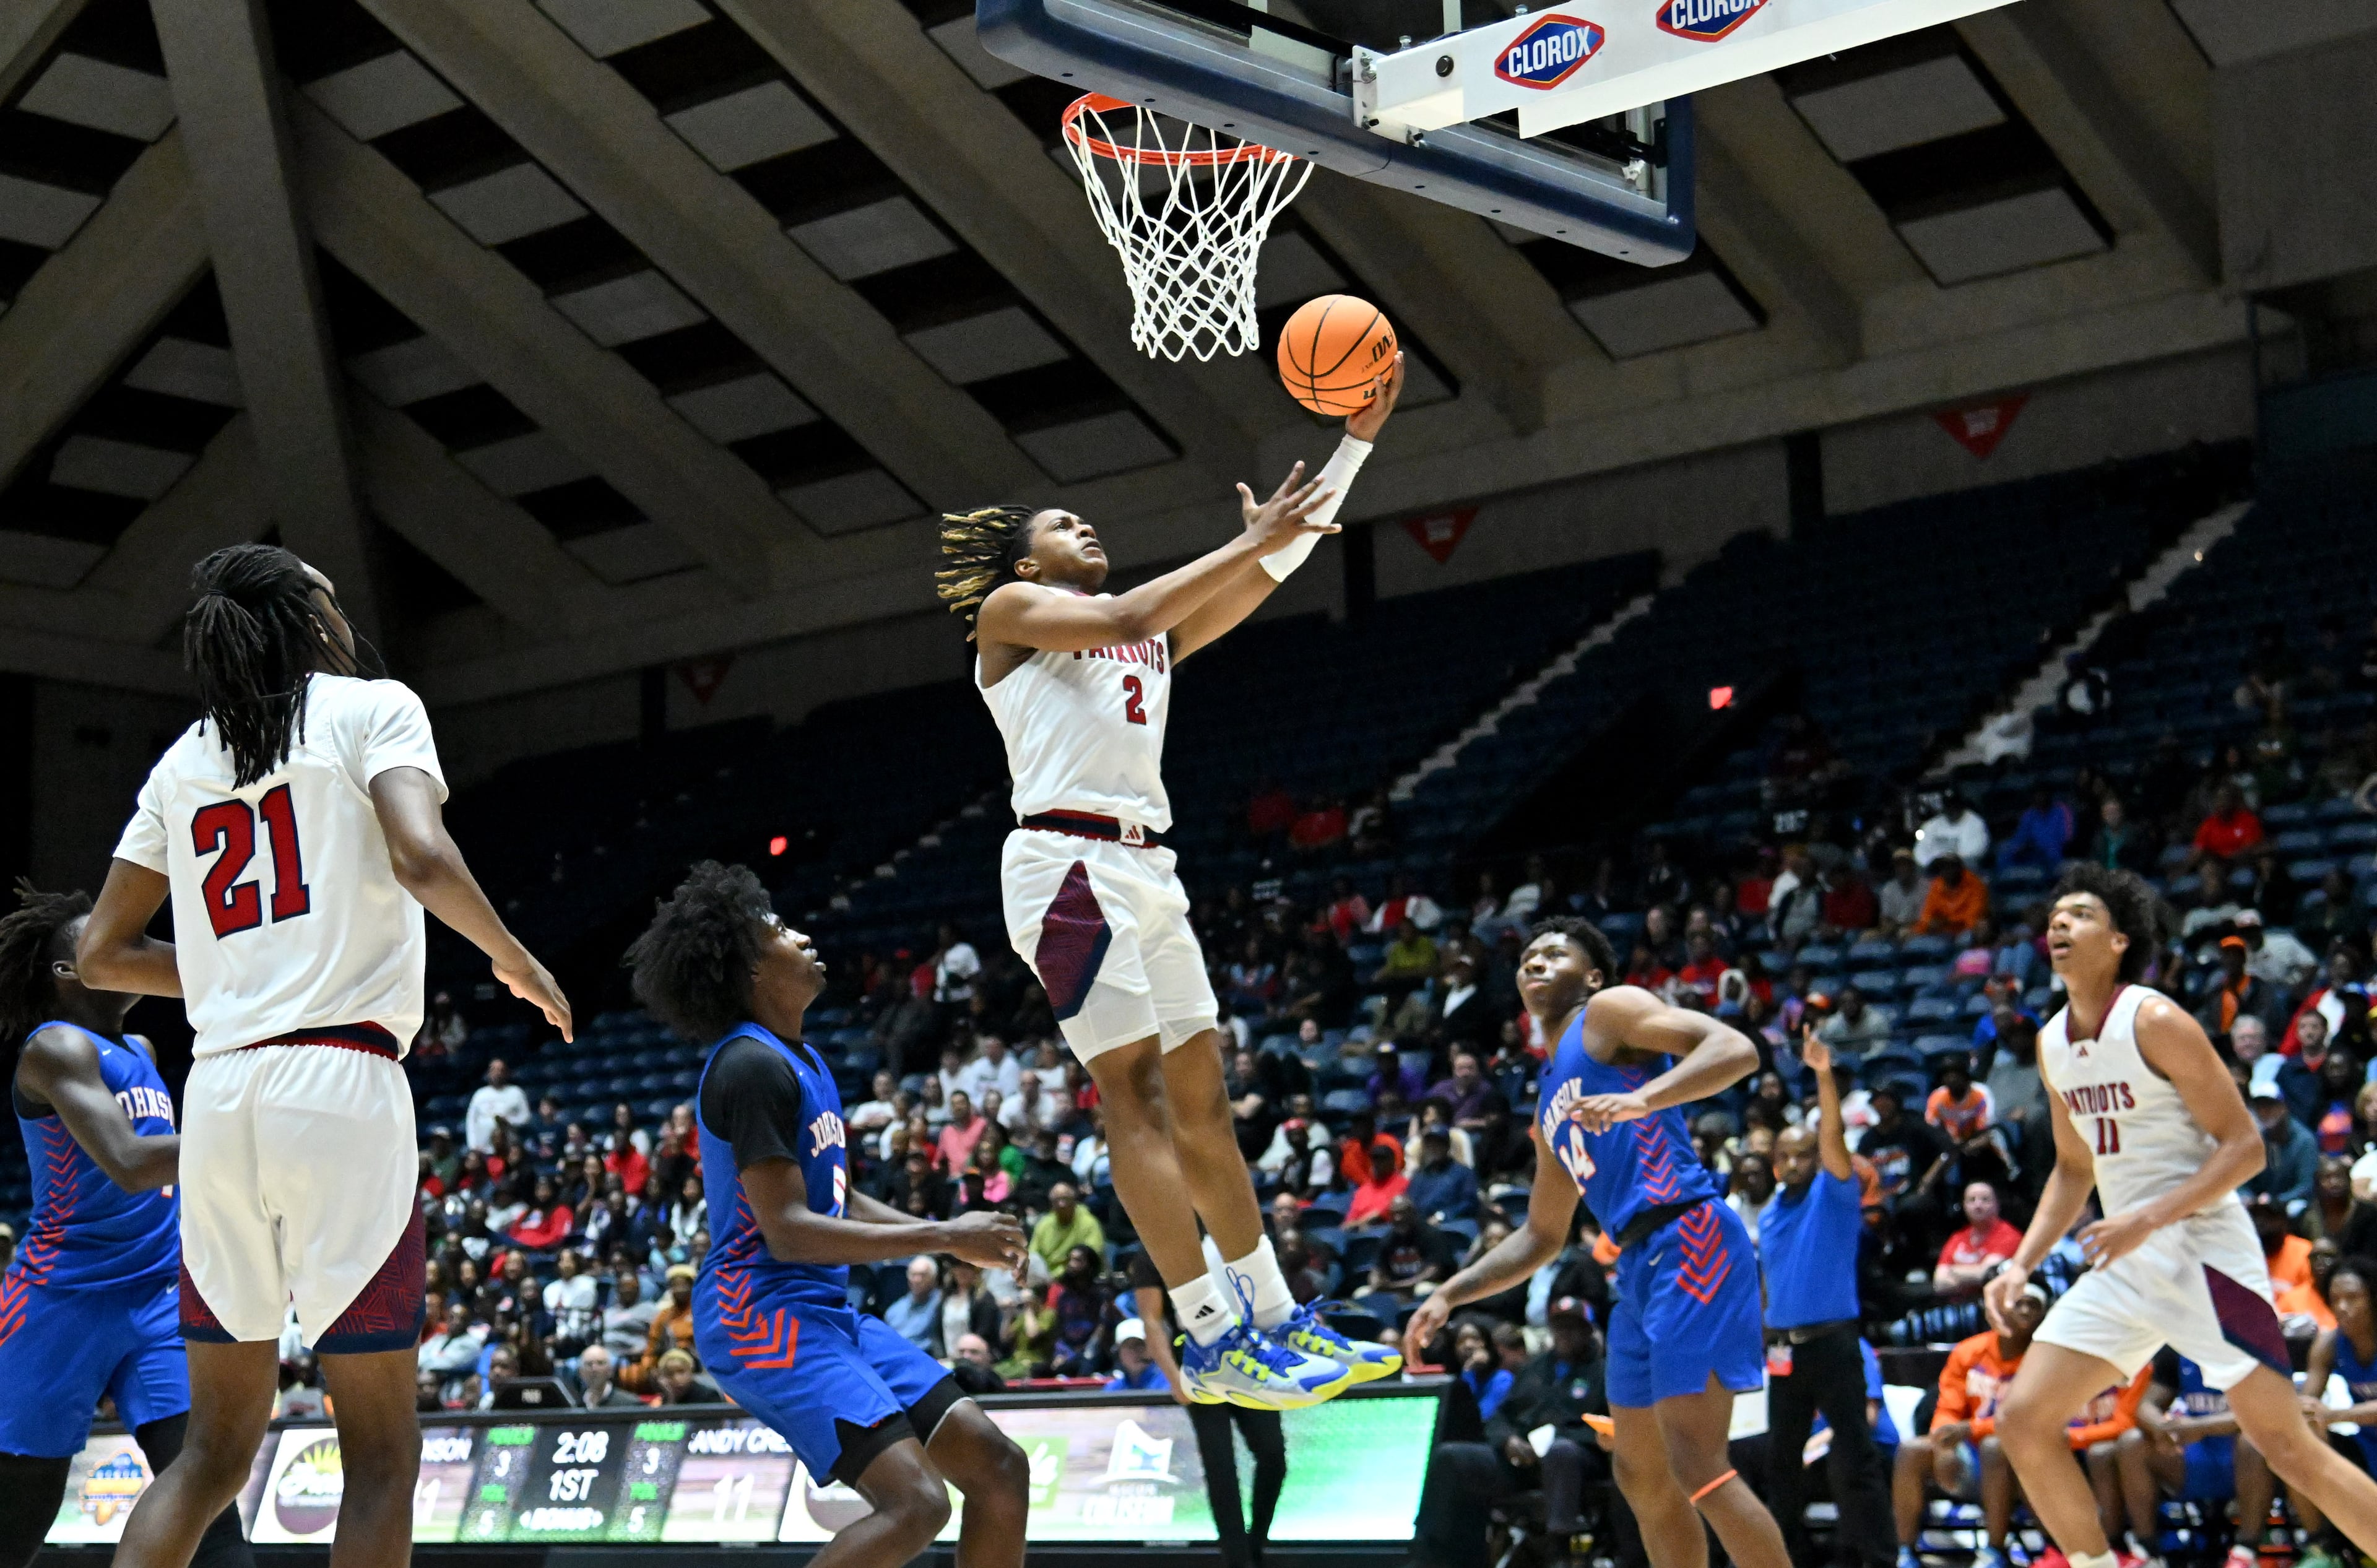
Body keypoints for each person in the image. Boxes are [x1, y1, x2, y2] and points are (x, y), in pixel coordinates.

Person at [79, 545, 571, 1568]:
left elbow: (101, 951)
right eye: (331, 598)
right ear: (306, 620)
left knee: (213, 1449)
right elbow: (422, 852)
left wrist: (236, 972)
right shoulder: (372, 707)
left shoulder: (182, 761)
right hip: (340, 1086)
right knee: (383, 1454)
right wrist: (515, 957)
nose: (345, 612)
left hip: (216, 1097)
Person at [935, 355, 1406, 1408]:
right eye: (1063, 523)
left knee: (1206, 1098)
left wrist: (1356, 443)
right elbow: (1124, 614)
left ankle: (1277, 1316)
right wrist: (1247, 538)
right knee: (1135, 1090)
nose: (1084, 529)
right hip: (1059, 865)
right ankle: (1206, 1330)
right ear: (1024, 558)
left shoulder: (1150, 637)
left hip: (1148, 864)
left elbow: (1269, 568)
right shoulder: (1012, 615)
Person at [626, 861, 1032, 1568]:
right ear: (749, 968)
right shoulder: (748, 1068)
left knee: (998, 1467)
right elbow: (787, 1229)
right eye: (779, 930)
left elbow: (833, 1198)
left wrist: (948, 1239)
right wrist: (940, 1235)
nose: (804, 936)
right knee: (919, 1503)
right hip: (759, 1311)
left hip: (820, 1309)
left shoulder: (803, 1057)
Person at [1985, 864, 2377, 1568]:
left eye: (2079, 914)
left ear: (2119, 940)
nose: (2059, 925)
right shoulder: (2051, 1044)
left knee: (2288, 1446)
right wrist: (2019, 1263)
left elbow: (2246, 1147)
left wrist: (2146, 1218)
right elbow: (2074, 1170)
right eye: (2055, 916)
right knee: (2022, 1418)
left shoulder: (2154, 1018)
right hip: (2127, 1261)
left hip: (2204, 1252)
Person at [1406, 917, 1791, 1568]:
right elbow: (1540, 1234)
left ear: (1590, 975)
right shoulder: (1549, 1095)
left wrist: (1646, 1097)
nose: (1536, 961)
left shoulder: (1610, 1011)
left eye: (1555, 953)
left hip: (1689, 1231)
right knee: (1641, 1476)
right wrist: (1450, 1291)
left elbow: (1735, 1049)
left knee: (1696, 1460)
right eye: (1528, 955)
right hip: (1638, 1264)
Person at [0, 888, 251, 1568]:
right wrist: (260, 1128)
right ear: (67, 972)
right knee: (21, 1514)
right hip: (58, 1302)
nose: (126, 946)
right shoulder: (55, 1047)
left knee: (209, 1499)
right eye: (106, 940)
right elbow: (133, 1163)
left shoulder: (139, 1044)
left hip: (155, 1297)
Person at [1762, 1034, 1892, 1568]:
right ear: (1774, 1163)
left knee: (1855, 1455)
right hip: (1784, 1351)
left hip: (1835, 1344)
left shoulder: (1833, 1193)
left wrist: (1822, 1075)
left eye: (1803, 1154)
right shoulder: (1769, 1212)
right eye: (1784, 1155)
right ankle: (1787, 1558)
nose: (1794, 1162)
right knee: (1780, 1463)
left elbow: (1833, 1134)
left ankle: (1880, 1557)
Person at [1409, 1296, 1607, 1568]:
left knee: (1561, 1453)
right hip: (1521, 1461)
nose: (1565, 1334)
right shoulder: (1534, 1369)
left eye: (1573, 1327)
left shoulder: (1604, 1371)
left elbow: (1610, 1428)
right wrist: (1509, 1441)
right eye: (1559, 1326)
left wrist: (1555, 1443)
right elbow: (1500, 1417)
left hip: (1576, 1463)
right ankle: (1430, 1549)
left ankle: (1558, 1552)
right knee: (1451, 1456)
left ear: (1588, 1331)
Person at [1130, 1243, 1288, 1568]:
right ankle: (1238, 1561)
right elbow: (1151, 1319)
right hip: (1196, 1357)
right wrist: (1175, 1379)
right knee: (1221, 1467)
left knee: (1273, 1455)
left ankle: (1255, 1546)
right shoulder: (1155, 1245)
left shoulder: (1225, 1227)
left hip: (1248, 1349)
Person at [1892, 1285, 2050, 1568]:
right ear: (2000, 1308)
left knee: (1994, 1447)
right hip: (1971, 1454)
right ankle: (1905, 1552)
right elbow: (1947, 1408)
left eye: (2034, 1305)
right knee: (1911, 1450)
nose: (2025, 1311)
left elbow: (2028, 1420)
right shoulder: (1970, 1352)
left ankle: (1994, 1552)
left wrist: (1971, 1430)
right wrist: (1942, 1445)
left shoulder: (2046, 1359)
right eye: (2019, 1303)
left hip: (2025, 1462)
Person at [2123, 1351, 2279, 1568]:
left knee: (2254, 1442)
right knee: (2132, 1443)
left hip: (2246, 1459)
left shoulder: (2251, 1345)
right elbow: (2146, 1405)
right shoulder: (2177, 1347)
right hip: (2195, 1454)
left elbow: (2268, 1412)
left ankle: (2246, 1552)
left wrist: (2202, 1427)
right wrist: (2162, 1427)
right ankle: (2148, 1552)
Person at [465, 1058, 529, 1156]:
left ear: (506, 1073)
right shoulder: (480, 1094)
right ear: (488, 1073)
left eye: (501, 1070)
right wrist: (473, 1145)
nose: (497, 1073)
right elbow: (471, 1121)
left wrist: (509, 1120)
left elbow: (525, 1117)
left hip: (508, 1148)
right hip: (484, 1149)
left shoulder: (516, 1092)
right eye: (494, 1070)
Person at [1104, 1317, 1168, 1392]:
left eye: (1142, 1345)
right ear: (1119, 1352)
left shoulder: (1168, 1383)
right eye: (1130, 1346)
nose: (1137, 1351)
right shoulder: (1113, 1389)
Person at [572, 1345, 643, 1409]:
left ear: (610, 1370)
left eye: (600, 1363)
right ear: (580, 1372)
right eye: (589, 1364)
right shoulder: (573, 1404)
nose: (594, 1369)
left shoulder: (631, 1404)